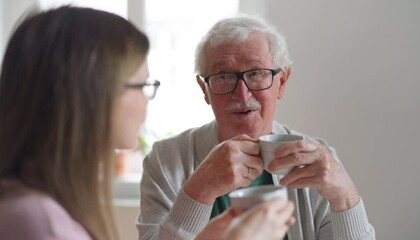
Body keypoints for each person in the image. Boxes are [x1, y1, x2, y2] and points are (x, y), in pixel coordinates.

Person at [0, 6, 295, 240]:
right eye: (140, 85)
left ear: (282, 82)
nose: (146, 101)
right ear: (91, 94)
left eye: (256, 73)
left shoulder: (37, 206)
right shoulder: (39, 222)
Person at [137, 14, 376, 240]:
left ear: (281, 82)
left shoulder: (317, 161)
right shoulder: (166, 160)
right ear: (204, 89)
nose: (242, 93)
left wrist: (345, 196)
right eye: (223, 76)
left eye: (257, 73)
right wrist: (199, 189)